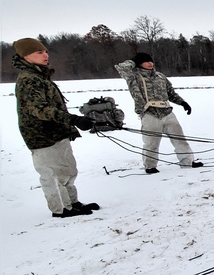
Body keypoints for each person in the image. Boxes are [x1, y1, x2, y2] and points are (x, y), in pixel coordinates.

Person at [12, 38, 100, 218]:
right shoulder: (29, 79)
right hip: (42, 136)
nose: (45, 55)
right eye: (39, 52)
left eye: (45, 51)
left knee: (67, 170)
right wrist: (73, 119)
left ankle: (72, 203)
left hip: (57, 132)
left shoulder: (40, 76)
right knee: (53, 175)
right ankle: (61, 209)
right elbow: (40, 109)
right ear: (25, 56)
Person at [115, 52, 203, 174]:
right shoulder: (133, 77)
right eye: (146, 61)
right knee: (151, 143)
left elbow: (171, 94)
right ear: (139, 63)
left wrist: (183, 103)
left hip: (167, 112)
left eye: (151, 61)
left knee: (180, 139)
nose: (150, 63)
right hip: (149, 113)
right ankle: (150, 166)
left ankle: (187, 161)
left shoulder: (160, 77)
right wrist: (133, 61)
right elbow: (121, 67)